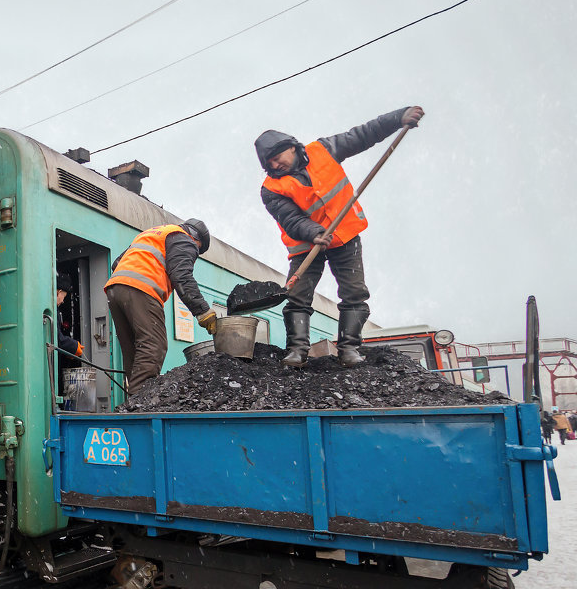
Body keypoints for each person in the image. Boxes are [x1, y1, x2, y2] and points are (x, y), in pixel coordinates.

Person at [255, 105, 425, 368]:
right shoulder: (270, 188)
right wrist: (314, 232)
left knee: (354, 292)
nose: (275, 165)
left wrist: (398, 118)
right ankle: (297, 351)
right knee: (298, 296)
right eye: (270, 164)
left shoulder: (323, 150)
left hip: (344, 236)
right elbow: (289, 219)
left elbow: (363, 134)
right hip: (305, 246)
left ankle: (349, 350)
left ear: (291, 147)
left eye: (277, 157)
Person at [104, 219, 214, 394]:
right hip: (141, 288)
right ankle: (140, 402)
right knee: (154, 345)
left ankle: (132, 398)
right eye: (198, 251)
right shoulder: (185, 240)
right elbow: (181, 275)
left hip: (115, 289)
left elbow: (117, 263)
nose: (194, 254)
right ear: (197, 240)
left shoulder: (152, 234)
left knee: (133, 348)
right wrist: (203, 312)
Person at [55, 273, 84, 365]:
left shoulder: (54, 309)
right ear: (58, 292)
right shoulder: (52, 310)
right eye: (63, 297)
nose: (63, 301)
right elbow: (56, 338)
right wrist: (74, 346)